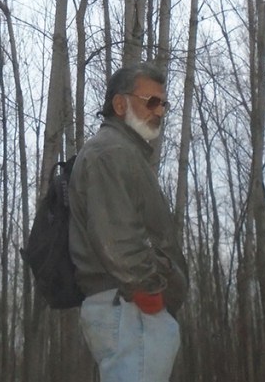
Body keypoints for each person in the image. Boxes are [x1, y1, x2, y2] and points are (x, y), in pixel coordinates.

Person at [68, 63, 189, 382]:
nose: (160, 111)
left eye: (163, 104)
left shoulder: (123, 153)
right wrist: (151, 294)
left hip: (130, 306)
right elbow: (118, 240)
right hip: (131, 306)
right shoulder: (110, 152)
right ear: (120, 105)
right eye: (152, 101)